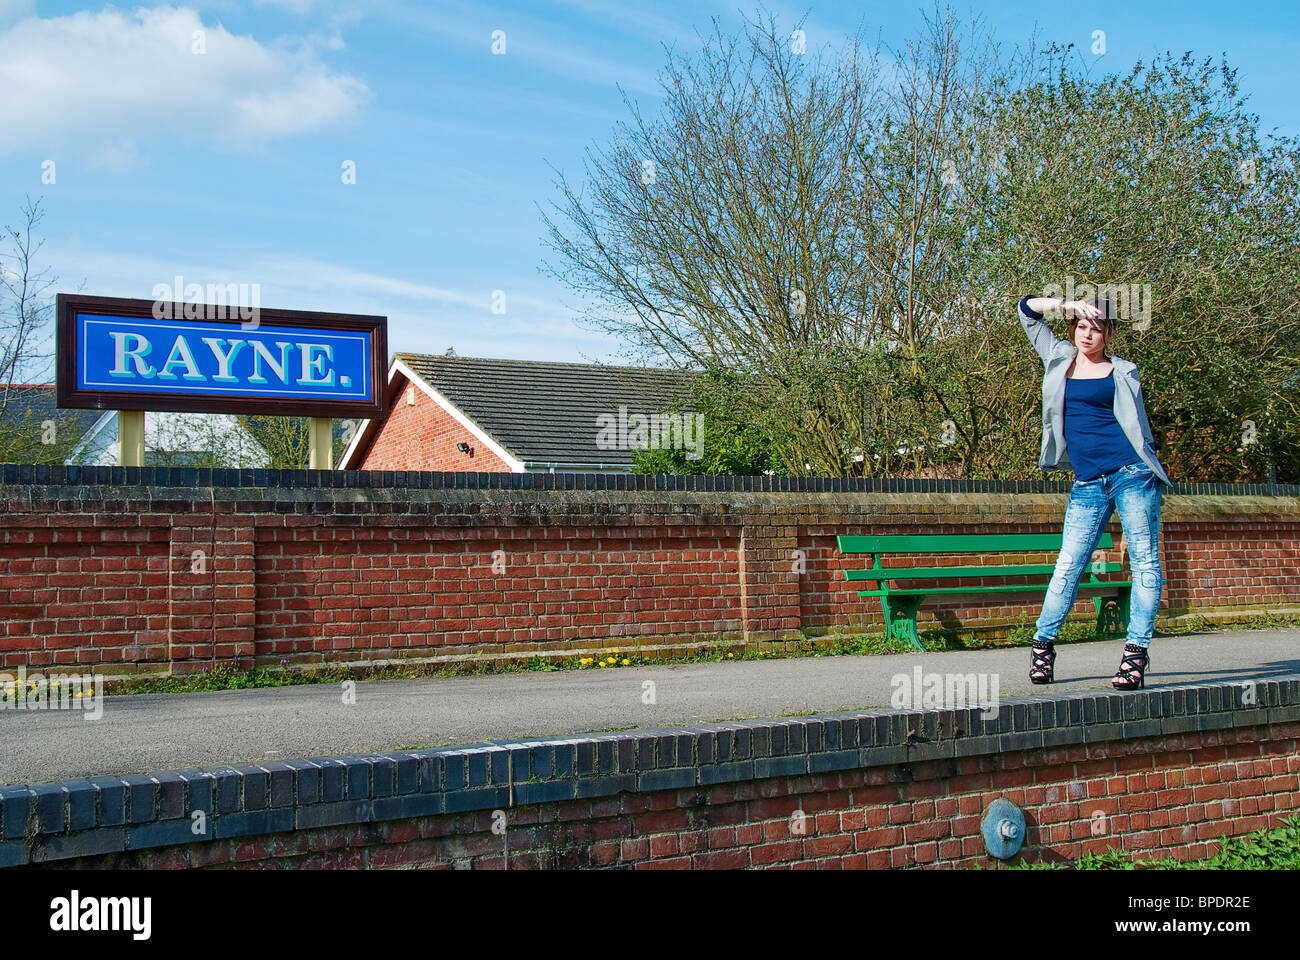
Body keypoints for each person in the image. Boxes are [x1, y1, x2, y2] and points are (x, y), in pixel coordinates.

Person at [1018, 293, 1172, 689]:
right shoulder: (1058, 357)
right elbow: (1026, 310)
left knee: (1144, 562)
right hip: (1087, 480)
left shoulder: (1123, 370)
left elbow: (1138, 427)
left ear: (1109, 335)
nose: (1088, 334)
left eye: (1097, 328)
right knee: (1069, 564)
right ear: (1074, 326)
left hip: (1132, 474)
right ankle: (1043, 646)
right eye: (1083, 326)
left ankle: (1135, 655)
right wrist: (1068, 303)